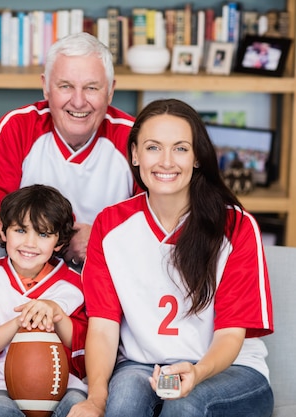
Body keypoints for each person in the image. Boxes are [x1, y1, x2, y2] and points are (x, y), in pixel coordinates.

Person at [75, 99, 274, 417]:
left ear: (197, 158)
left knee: (184, 405)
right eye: (153, 148)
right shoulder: (109, 225)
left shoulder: (235, 225)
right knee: (121, 406)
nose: (166, 161)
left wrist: (197, 372)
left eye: (180, 148)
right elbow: (102, 327)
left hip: (228, 370)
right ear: (136, 155)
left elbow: (230, 333)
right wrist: (96, 398)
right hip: (141, 366)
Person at [0, 32, 136, 265]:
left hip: (110, 265)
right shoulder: (17, 126)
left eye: (92, 88)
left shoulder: (135, 136)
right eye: (66, 86)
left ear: (110, 91)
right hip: (29, 266)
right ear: (46, 87)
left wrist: (100, 238)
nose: (78, 101)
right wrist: (60, 238)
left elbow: (164, 224)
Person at [0, 184, 88, 417]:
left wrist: (57, 314)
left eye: (43, 234)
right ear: (3, 231)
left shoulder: (75, 286)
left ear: (60, 242)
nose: (30, 243)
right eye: (21, 231)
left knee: (77, 406)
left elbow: (84, 349)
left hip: (63, 384)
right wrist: (18, 323)